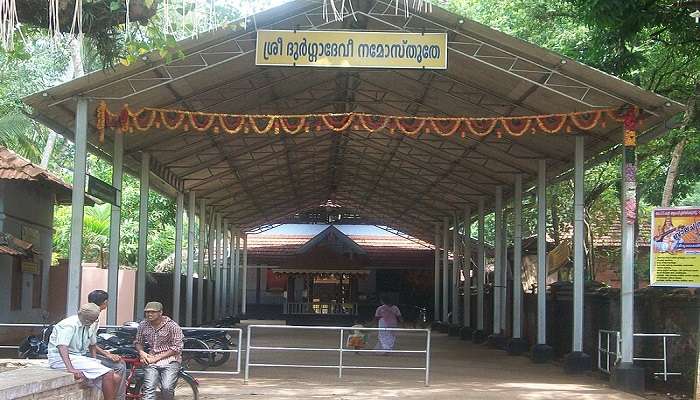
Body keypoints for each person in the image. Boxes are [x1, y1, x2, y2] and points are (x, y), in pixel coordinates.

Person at [48, 303, 121, 400]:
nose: (94, 322)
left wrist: (94, 361)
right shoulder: (69, 325)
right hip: (60, 358)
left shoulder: (87, 325)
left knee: (116, 378)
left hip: (78, 357)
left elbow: (92, 344)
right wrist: (71, 369)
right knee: (108, 373)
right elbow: (62, 347)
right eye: (93, 320)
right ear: (86, 319)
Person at [135, 301, 184, 400]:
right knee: (148, 389)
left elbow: (177, 348)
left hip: (171, 361)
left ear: (160, 312)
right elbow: (138, 341)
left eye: (153, 312)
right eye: (147, 312)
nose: (149, 314)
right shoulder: (143, 325)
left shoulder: (172, 326)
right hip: (151, 361)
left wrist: (156, 358)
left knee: (166, 388)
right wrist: (142, 352)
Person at [88, 289, 127, 400]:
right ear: (104, 303)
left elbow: (91, 342)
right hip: (82, 354)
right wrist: (105, 355)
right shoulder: (92, 318)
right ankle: (119, 398)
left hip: (85, 351)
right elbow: (89, 344)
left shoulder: (89, 315)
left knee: (120, 362)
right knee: (119, 366)